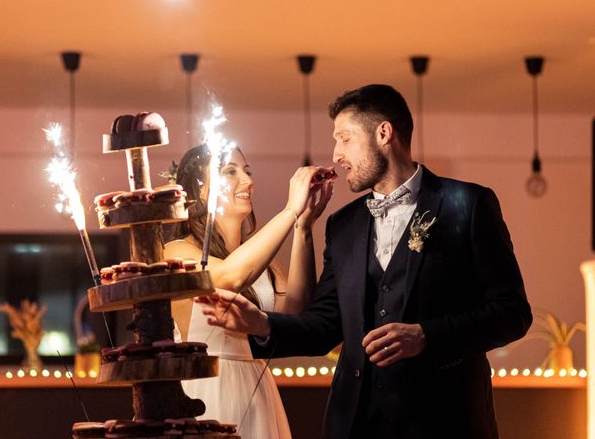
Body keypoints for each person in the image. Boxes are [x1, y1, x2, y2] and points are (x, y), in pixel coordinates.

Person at [196, 84, 533, 439]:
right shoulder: (343, 225)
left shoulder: (469, 203)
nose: (336, 154)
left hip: (446, 420)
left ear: (383, 133)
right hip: (356, 423)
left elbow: (512, 313)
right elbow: (325, 325)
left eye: (344, 138)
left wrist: (426, 336)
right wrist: (261, 323)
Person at [164, 144, 333, 439]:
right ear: (202, 191)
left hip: (257, 388)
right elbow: (230, 276)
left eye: (246, 170)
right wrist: (290, 210)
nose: (247, 180)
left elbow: (297, 312)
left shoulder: (260, 262)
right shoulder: (178, 251)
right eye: (231, 171)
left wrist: (303, 228)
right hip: (205, 388)